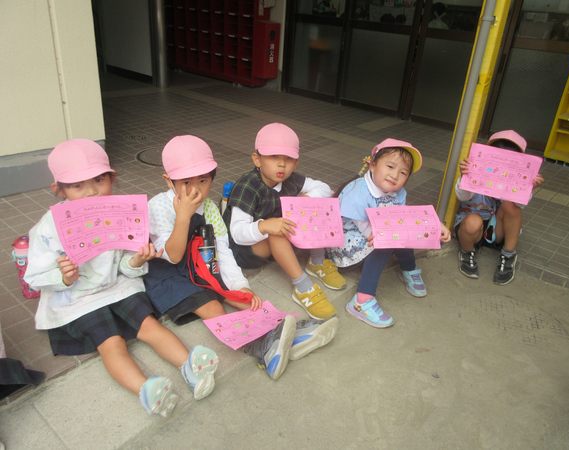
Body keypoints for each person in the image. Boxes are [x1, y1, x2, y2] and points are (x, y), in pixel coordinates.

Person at [23, 139, 218, 418]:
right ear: (60, 189)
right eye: (78, 185)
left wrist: (137, 261)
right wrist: (63, 277)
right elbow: (35, 275)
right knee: (111, 342)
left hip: (118, 285)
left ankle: (190, 366)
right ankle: (146, 390)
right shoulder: (48, 227)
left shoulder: (121, 214)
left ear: (111, 178)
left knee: (149, 325)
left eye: (99, 180)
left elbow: (127, 262)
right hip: (78, 296)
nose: (92, 191)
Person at [145, 135, 339, 380]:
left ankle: (284, 334)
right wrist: (183, 216)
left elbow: (222, 250)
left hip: (203, 263)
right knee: (214, 306)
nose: (195, 190)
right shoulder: (157, 207)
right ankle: (260, 348)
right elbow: (173, 256)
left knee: (245, 300)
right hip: (171, 274)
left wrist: (240, 285)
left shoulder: (210, 208)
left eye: (203, 180)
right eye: (186, 182)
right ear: (168, 180)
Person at [223, 123, 346, 320]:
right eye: (274, 157)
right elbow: (237, 233)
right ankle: (303, 287)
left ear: (296, 164)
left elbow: (323, 187)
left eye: (288, 159)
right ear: (257, 159)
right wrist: (265, 226)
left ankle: (317, 261)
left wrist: (303, 201)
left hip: (278, 234)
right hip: (246, 248)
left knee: (316, 203)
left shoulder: (291, 179)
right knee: (276, 233)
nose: (282, 164)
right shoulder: (247, 186)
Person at [328, 139, 451, 328]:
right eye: (390, 166)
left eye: (403, 173)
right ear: (372, 164)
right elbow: (367, 229)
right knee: (388, 241)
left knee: (401, 231)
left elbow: (404, 218)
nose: (395, 175)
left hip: (374, 233)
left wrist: (435, 225)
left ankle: (408, 269)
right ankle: (361, 300)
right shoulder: (357, 192)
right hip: (347, 242)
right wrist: (390, 235)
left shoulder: (397, 192)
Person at [455, 130, 545, 285]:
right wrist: (465, 176)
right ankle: (467, 252)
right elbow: (462, 197)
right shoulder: (474, 168)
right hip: (472, 227)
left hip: (497, 229)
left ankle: (508, 255)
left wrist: (528, 187)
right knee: (472, 221)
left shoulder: (517, 177)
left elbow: (519, 204)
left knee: (511, 206)